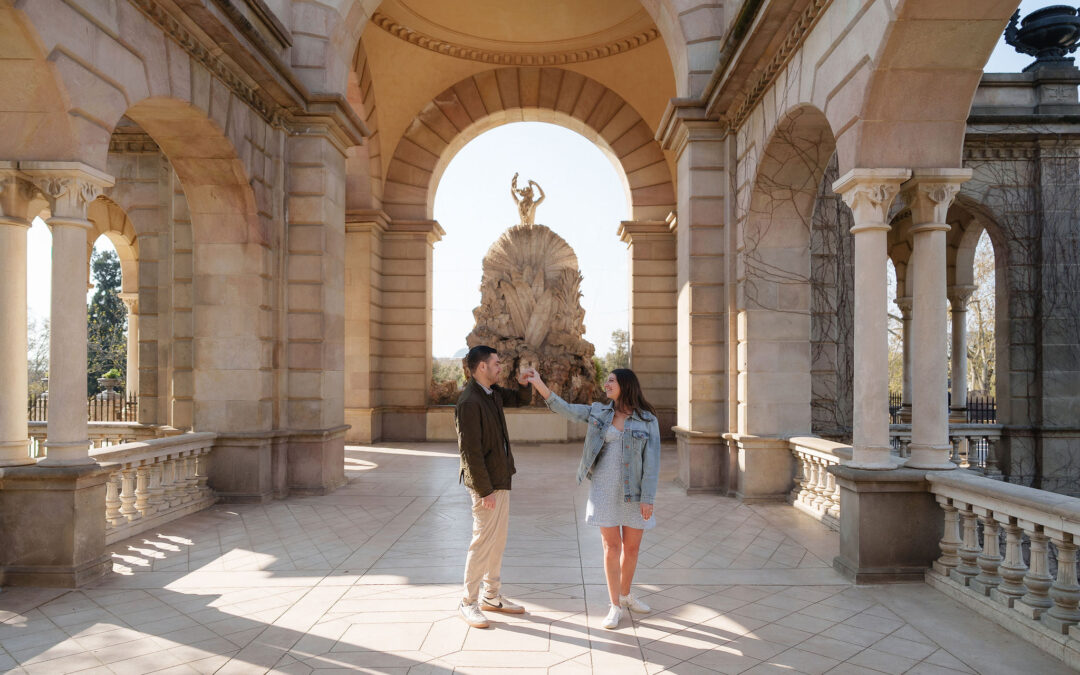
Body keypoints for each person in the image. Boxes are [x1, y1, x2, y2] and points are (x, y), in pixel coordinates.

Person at [524, 367, 660, 629]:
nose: (606, 384)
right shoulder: (599, 411)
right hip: (604, 488)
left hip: (635, 493)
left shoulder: (647, 420)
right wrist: (539, 383)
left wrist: (648, 498)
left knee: (631, 548)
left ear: (626, 385)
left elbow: (652, 462)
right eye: (606, 381)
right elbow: (563, 408)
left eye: (611, 381)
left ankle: (626, 594)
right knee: (611, 547)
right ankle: (615, 605)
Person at [456, 345, 533, 629]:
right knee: (481, 543)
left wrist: (525, 384)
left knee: (497, 542)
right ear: (481, 368)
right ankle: (468, 602)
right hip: (487, 485)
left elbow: (520, 399)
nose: (501, 367)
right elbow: (470, 453)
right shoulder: (469, 402)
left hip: (501, 478)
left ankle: (491, 595)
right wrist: (484, 490)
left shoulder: (491, 394)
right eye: (496, 363)